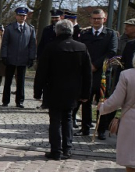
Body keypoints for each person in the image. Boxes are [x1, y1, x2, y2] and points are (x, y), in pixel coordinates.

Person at [33, 20, 92, 160]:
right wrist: (85, 93)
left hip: (53, 89)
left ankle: (56, 150)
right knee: (68, 118)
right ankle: (67, 149)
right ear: (71, 31)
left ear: (56, 31)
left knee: (55, 120)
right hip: (73, 90)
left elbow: (41, 72)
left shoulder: (51, 47)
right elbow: (87, 74)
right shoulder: (81, 47)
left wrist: (37, 91)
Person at [99, 50, 135, 172]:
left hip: (133, 125)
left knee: (133, 169)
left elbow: (115, 102)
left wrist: (102, 107)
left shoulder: (128, 75)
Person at [77, 9, 119, 139]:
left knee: (103, 102)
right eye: (94, 18)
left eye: (99, 18)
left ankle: (101, 129)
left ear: (104, 19)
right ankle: (85, 127)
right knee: (86, 101)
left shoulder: (110, 34)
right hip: (87, 73)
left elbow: (111, 52)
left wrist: (96, 65)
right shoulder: (85, 34)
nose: (96, 21)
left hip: (102, 74)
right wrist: (87, 65)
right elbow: (81, 50)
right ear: (90, 19)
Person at [0, 7, 36, 108]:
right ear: (16, 16)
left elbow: (32, 45)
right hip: (10, 58)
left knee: (21, 81)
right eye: (20, 15)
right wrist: (4, 55)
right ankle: (5, 101)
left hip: (23, 59)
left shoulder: (30, 29)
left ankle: (19, 101)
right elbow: (5, 43)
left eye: (24, 16)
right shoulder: (9, 28)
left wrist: (32, 57)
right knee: (8, 81)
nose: (22, 17)